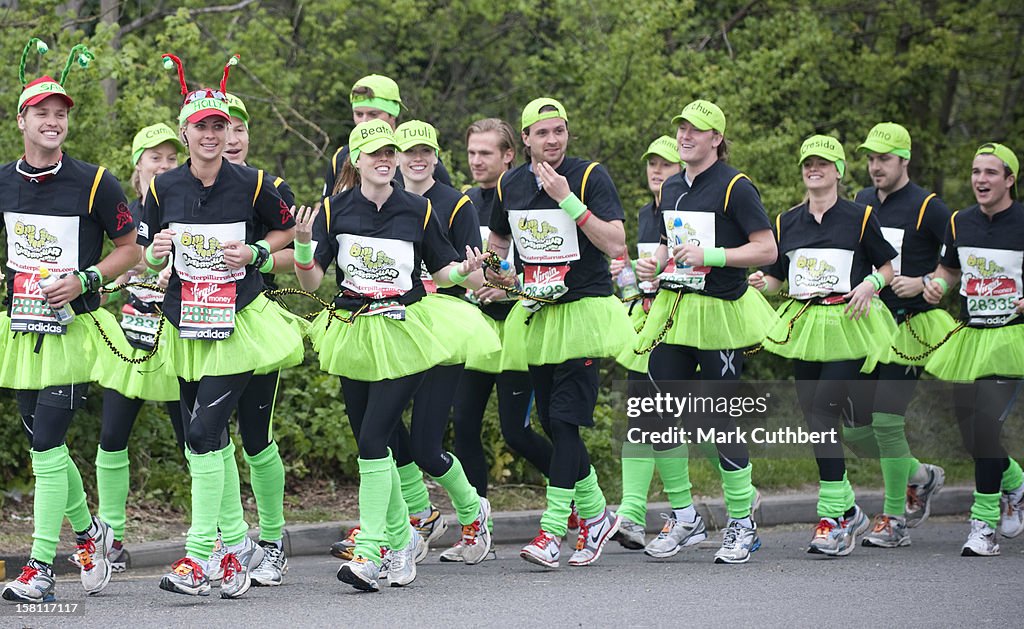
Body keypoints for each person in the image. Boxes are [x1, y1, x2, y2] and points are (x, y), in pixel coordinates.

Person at [296, 120, 494, 592]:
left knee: (373, 437)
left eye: (390, 153)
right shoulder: (332, 210)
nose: (384, 160)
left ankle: (372, 551)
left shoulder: (418, 209)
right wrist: (304, 248)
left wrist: (467, 273)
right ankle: (402, 537)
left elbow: (442, 270)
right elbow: (310, 283)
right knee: (369, 439)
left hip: (405, 332)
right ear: (356, 162)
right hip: (352, 331)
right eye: (374, 154)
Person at [143, 53, 304, 598]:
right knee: (201, 444)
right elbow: (146, 249)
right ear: (186, 131)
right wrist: (155, 249)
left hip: (239, 321)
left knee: (207, 434)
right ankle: (235, 551)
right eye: (201, 126)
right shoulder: (162, 188)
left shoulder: (254, 183)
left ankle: (198, 556)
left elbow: (289, 234)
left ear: (227, 131)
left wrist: (255, 251)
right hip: (186, 320)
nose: (212, 135)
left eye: (220, 126)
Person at [1, 38, 137, 603]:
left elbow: (130, 247)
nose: (53, 122)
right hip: (20, 331)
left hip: (72, 330)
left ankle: (38, 568)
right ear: (22, 120)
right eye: (43, 114)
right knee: (45, 446)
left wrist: (87, 280)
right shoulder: (2, 180)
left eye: (60, 114)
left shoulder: (96, 181)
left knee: (46, 445)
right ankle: (90, 533)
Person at [487, 97, 633, 569]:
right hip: (539, 314)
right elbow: (499, 244)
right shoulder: (509, 183)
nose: (553, 140)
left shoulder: (590, 176)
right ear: (524, 139)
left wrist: (568, 199)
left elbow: (616, 244)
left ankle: (552, 531)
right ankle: (595, 516)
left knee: (566, 421)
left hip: (585, 311)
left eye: (560, 131)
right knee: (551, 421)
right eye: (543, 133)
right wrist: (497, 274)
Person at [634, 101, 777, 563]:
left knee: (720, 416)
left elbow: (767, 249)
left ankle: (742, 522)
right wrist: (652, 264)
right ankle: (685, 516)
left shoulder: (736, 186)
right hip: (676, 307)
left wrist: (712, 256)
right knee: (656, 409)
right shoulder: (672, 185)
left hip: (721, 311)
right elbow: (665, 244)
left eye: (696, 130)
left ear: (716, 138)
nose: (685, 136)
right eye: (681, 129)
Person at [752, 134, 897, 557]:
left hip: (846, 322)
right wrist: (763, 284)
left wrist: (871, 284)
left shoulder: (860, 215)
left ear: (838, 171)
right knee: (814, 416)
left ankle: (833, 515)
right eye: (807, 163)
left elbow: (887, 265)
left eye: (822, 163)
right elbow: (780, 278)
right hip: (804, 324)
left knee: (823, 411)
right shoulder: (786, 221)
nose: (813, 169)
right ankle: (848, 508)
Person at [443, 118, 554, 561]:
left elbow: (547, 260)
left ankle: (584, 501)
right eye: (471, 152)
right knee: (464, 426)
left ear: (509, 155)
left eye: (485, 153)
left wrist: (508, 283)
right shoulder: (466, 201)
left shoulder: (525, 194)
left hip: (519, 326)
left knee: (517, 432)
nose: (476, 161)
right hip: (477, 328)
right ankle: (477, 530)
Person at [197, 89, 294, 587]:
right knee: (209, 437)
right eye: (220, 129)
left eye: (238, 129)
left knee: (255, 439)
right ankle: (229, 541)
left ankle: (274, 540)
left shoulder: (267, 185)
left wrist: (254, 254)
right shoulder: (194, 184)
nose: (229, 139)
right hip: (201, 322)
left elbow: (299, 255)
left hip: (256, 322)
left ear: (249, 134)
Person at [851, 122, 953, 548]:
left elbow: (962, 263)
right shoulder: (859, 202)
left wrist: (927, 280)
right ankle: (922, 476)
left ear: (904, 161)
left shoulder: (929, 206)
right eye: (871, 159)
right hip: (867, 326)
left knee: (887, 422)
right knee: (856, 431)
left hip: (910, 327)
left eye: (884, 159)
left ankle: (893, 518)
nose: (876, 167)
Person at [90, 123, 186, 573]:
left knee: (196, 441)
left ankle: (219, 534)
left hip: (179, 338)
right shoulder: (124, 211)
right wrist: (115, 280)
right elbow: (116, 266)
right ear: (138, 166)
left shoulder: (188, 204)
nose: (163, 166)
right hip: (132, 335)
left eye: (171, 158)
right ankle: (111, 538)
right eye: (155, 158)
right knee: (112, 438)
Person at [923, 142, 1024, 556]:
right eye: (975, 172)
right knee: (970, 433)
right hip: (971, 336)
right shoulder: (960, 221)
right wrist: (937, 286)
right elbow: (949, 269)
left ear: (1010, 179)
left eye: (990, 173)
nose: (980, 180)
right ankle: (1015, 483)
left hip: (1011, 338)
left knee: (984, 427)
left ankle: (982, 526)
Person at [612, 135, 691, 551]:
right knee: (641, 413)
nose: (657, 171)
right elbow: (642, 277)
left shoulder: (691, 209)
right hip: (646, 321)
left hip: (687, 322)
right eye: (652, 164)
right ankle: (633, 513)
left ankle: (738, 498)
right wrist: (625, 275)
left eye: (667, 164)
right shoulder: (646, 213)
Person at [322, 74, 451, 197]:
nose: (364, 121)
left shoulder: (419, 158)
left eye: (373, 114)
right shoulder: (342, 156)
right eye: (359, 114)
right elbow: (326, 206)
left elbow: (446, 204)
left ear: (393, 114)